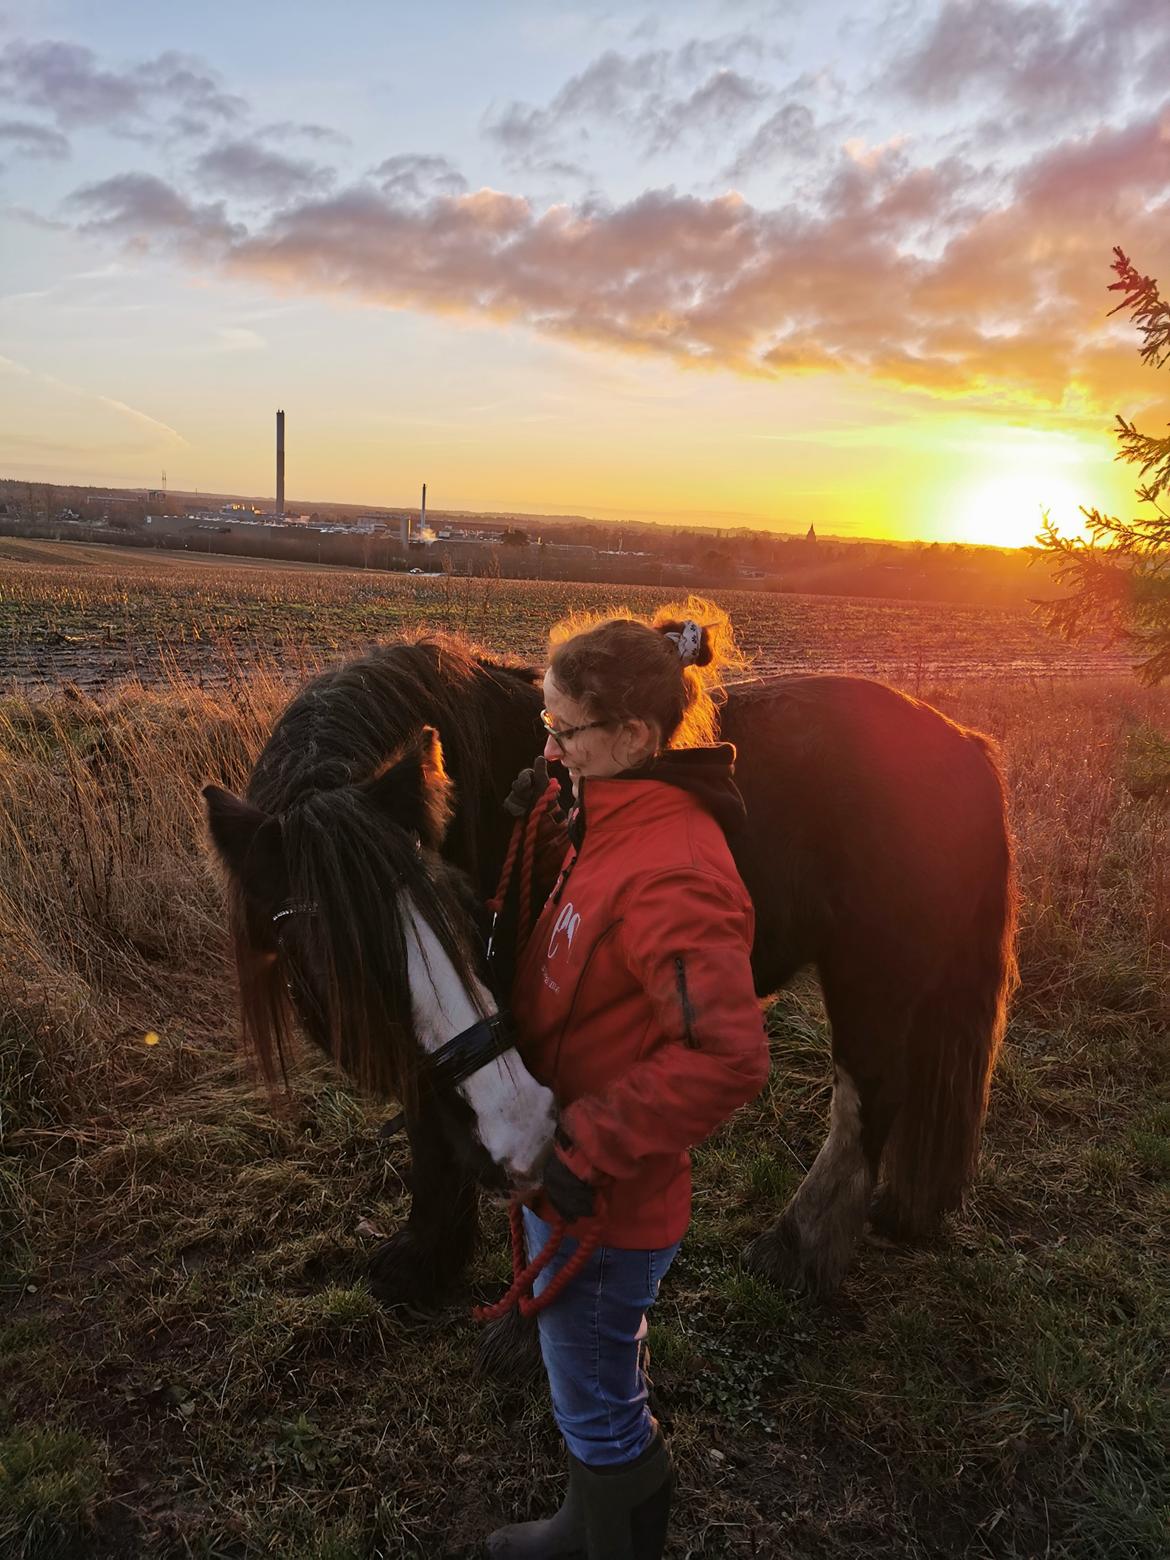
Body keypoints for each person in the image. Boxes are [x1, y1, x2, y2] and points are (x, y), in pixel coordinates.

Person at [486, 598, 771, 1560]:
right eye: (548, 726)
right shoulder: (607, 819)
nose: (551, 748)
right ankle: (607, 1517)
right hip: (571, 1186)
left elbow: (726, 1056)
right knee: (589, 1363)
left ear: (637, 736)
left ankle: (608, 1536)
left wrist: (584, 1147)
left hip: (603, 1200)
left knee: (595, 1383)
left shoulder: (673, 870)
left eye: (565, 732)